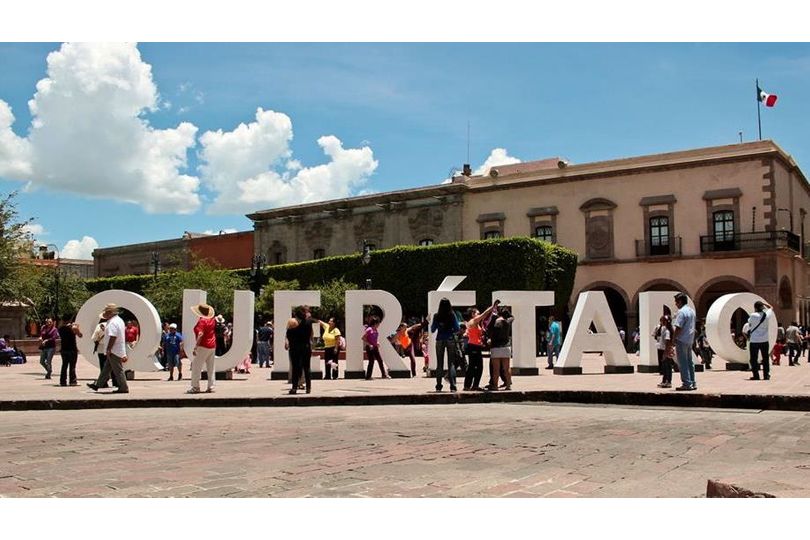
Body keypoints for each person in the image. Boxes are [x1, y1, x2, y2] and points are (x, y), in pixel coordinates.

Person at [87, 304, 129, 394]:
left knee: (118, 370)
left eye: (106, 312)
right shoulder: (119, 320)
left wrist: (109, 349)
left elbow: (113, 336)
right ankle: (98, 384)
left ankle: (123, 387)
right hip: (117, 349)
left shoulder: (112, 322)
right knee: (106, 368)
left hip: (114, 350)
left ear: (110, 313)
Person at [463, 301, 498, 391]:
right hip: (473, 346)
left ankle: (471, 385)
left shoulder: (477, 323)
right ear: (473, 314)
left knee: (475, 366)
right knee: (475, 366)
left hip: (476, 346)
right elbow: (484, 314)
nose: (479, 315)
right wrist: (493, 306)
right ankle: (471, 385)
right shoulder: (473, 321)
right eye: (477, 313)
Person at [286, 305, 320, 394]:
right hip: (306, 347)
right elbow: (316, 322)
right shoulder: (309, 322)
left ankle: (294, 388)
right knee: (307, 367)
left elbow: (289, 336)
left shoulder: (291, 326)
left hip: (294, 348)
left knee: (295, 368)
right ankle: (308, 388)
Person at [187, 303, 217, 394]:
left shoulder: (201, 321)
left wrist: (195, 347)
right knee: (211, 367)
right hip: (212, 345)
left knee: (196, 367)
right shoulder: (212, 320)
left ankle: (195, 387)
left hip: (203, 346)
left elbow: (200, 334)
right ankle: (211, 386)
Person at [431, 298, 460, 392]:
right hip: (450, 339)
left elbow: (432, 329)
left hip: (439, 339)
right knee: (451, 363)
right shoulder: (452, 315)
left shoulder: (436, 316)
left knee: (439, 363)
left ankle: (438, 385)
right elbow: (457, 328)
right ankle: (453, 385)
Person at [485, 306, 514, 391]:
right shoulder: (507, 322)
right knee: (507, 367)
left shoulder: (495, 321)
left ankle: (495, 386)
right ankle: (508, 385)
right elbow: (512, 317)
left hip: (496, 347)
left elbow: (488, 329)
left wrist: (494, 316)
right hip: (506, 346)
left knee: (496, 369)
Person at [672, 293, 697, 391]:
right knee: (690, 362)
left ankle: (686, 383)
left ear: (680, 301)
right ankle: (692, 382)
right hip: (690, 339)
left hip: (681, 339)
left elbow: (678, 327)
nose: (675, 304)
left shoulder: (681, 312)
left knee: (682, 362)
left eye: (676, 302)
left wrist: (673, 339)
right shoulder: (691, 311)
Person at [747, 300, 772, 381]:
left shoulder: (753, 315)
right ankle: (766, 375)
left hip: (754, 341)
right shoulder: (767, 315)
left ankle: (756, 375)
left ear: (755, 308)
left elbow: (749, 323)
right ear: (762, 307)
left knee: (753, 359)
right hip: (764, 340)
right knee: (765, 358)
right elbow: (771, 307)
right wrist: (764, 304)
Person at [58, 317, 83, 386]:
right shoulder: (73, 328)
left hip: (64, 349)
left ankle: (62, 381)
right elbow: (80, 335)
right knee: (72, 366)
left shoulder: (60, 328)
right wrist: (76, 327)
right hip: (72, 349)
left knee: (64, 366)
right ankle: (72, 381)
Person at [656, 316, 676, 388]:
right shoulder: (664, 329)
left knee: (668, 367)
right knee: (664, 366)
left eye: (662, 321)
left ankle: (668, 381)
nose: (661, 322)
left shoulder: (667, 331)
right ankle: (664, 381)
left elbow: (668, 342)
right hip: (664, 349)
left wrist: (665, 353)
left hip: (666, 350)